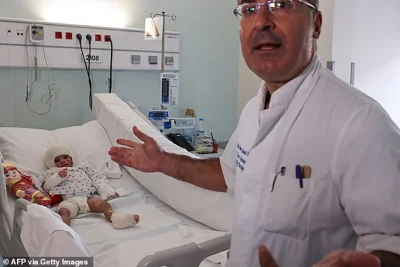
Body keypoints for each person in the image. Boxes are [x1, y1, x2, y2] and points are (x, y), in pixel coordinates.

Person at [109, 0, 400, 266]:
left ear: (317, 25)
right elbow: (228, 174)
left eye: (281, 4)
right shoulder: (253, 110)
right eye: (249, 8)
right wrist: (164, 161)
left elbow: (391, 244)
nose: (261, 20)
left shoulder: (361, 123)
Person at [34, 146, 140, 229]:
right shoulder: (53, 172)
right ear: (53, 164)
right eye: (57, 160)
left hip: (87, 198)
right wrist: (57, 177)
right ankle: (64, 230)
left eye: (65, 157)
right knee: (63, 211)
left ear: (71, 158)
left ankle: (115, 218)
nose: (62, 161)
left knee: (103, 204)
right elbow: (45, 187)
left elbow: (97, 177)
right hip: (70, 200)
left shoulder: (82, 168)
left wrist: (105, 189)